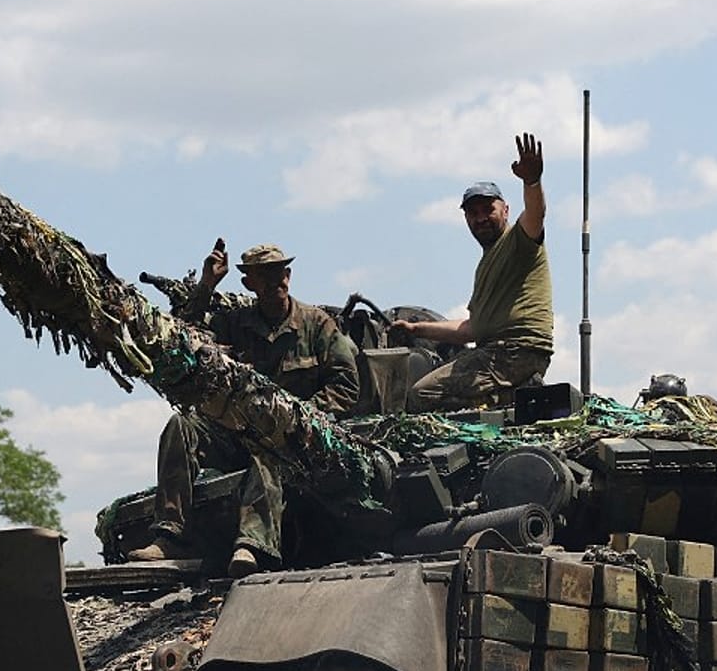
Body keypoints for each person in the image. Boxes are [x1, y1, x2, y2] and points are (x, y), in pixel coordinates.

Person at [127, 240, 360, 577]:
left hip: (296, 438)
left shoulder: (316, 324)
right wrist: (206, 285)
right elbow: (183, 341)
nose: (274, 281)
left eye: (279, 273)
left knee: (270, 449)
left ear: (289, 275)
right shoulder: (236, 324)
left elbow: (346, 386)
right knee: (183, 425)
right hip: (235, 431)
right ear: (249, 283)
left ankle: (251, 544)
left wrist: (301, 416)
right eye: (263, 275)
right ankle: (171, 535)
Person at [392, 132, 553, 411]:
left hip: (512, 352)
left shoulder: (519, 241)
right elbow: (471, 329)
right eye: (472, 213)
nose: (480, 218)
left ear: (505, 210)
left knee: (421, 394)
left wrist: (532, 181)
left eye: (487, 209)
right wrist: (416, 328)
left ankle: (508, 399)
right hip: (502, 353)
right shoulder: (487, 263)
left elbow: (536, 214)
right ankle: (510, 398)